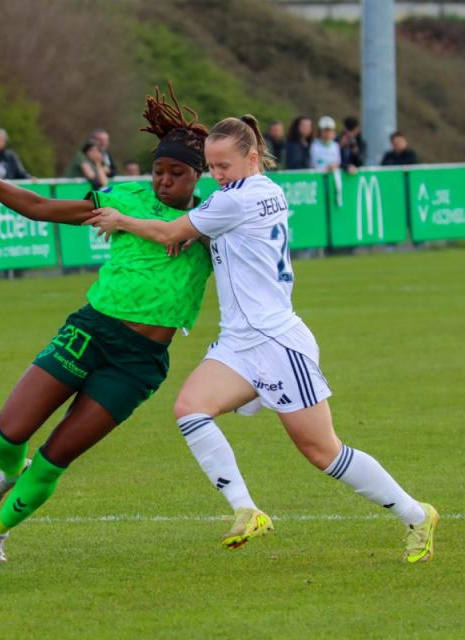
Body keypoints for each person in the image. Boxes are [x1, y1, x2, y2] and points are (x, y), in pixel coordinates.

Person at [87, 114, 439, 563]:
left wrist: (122, 219)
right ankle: (247, 510)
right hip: (239, 341)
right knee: (190, 409)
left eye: (223, 167)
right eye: (210, 167)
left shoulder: (238, 199)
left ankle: (415, 514)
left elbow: (173, 232)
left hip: (275, 342)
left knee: (323, 452)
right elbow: (210, 235)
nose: (215, 176)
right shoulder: (262, 191)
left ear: (251, 158)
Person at [0, 85, 214, 561]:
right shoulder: (124, 197)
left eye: (177, 173)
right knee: (6, 434)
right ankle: (11, 471)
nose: (164, 181)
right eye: (158, 170)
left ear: (199, 176)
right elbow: (38, 207)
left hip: (138, 364)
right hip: (92, 330)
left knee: (56, 458)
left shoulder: (213, 216)